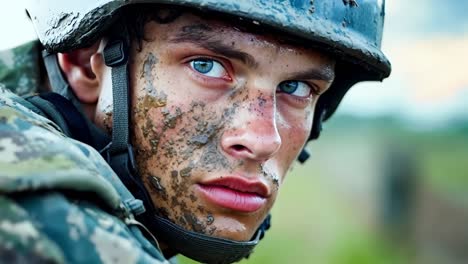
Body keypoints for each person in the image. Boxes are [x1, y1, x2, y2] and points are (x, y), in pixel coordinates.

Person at [0, 1, 391, 263]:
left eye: (296, 89)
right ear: (87, 65)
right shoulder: (46, 216)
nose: (261, 140)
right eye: (206, 66)